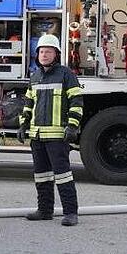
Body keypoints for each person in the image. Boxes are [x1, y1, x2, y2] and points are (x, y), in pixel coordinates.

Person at [17, 34, 83, 226]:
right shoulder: (35, 77)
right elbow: (28, 104)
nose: (44, 55)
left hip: (57, 136)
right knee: (41, 175)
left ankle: (71, 213)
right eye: (42, 51)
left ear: (56, 54)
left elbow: (76, 103)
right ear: (37, 54)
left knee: (63, 175)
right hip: (37, 136)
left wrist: (72, 126)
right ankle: (45, 210)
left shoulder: (66, 74)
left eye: (49, 51)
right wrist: (23, 124)